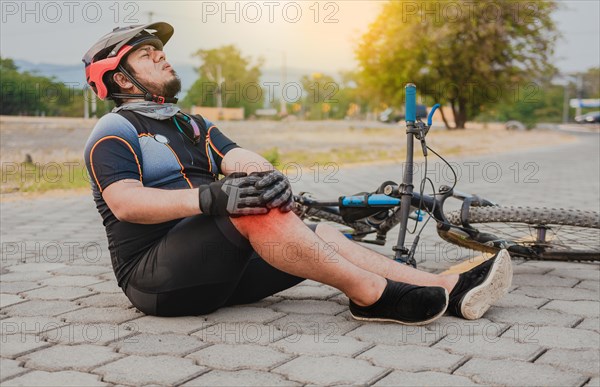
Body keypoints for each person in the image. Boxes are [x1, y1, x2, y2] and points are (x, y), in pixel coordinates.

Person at [82, 22, 513, 324]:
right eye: (146, 55)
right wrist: (210, 198)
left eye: (161, 51)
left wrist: (264, 175)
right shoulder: (115, 130)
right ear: (120, 77)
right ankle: (372, 296)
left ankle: (450, 289)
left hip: (218, 278)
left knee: (319, 233)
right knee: (249, 208)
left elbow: (236, 155)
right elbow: (126, 202)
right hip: (157, 282)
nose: (161, 57)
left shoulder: (190, 123)